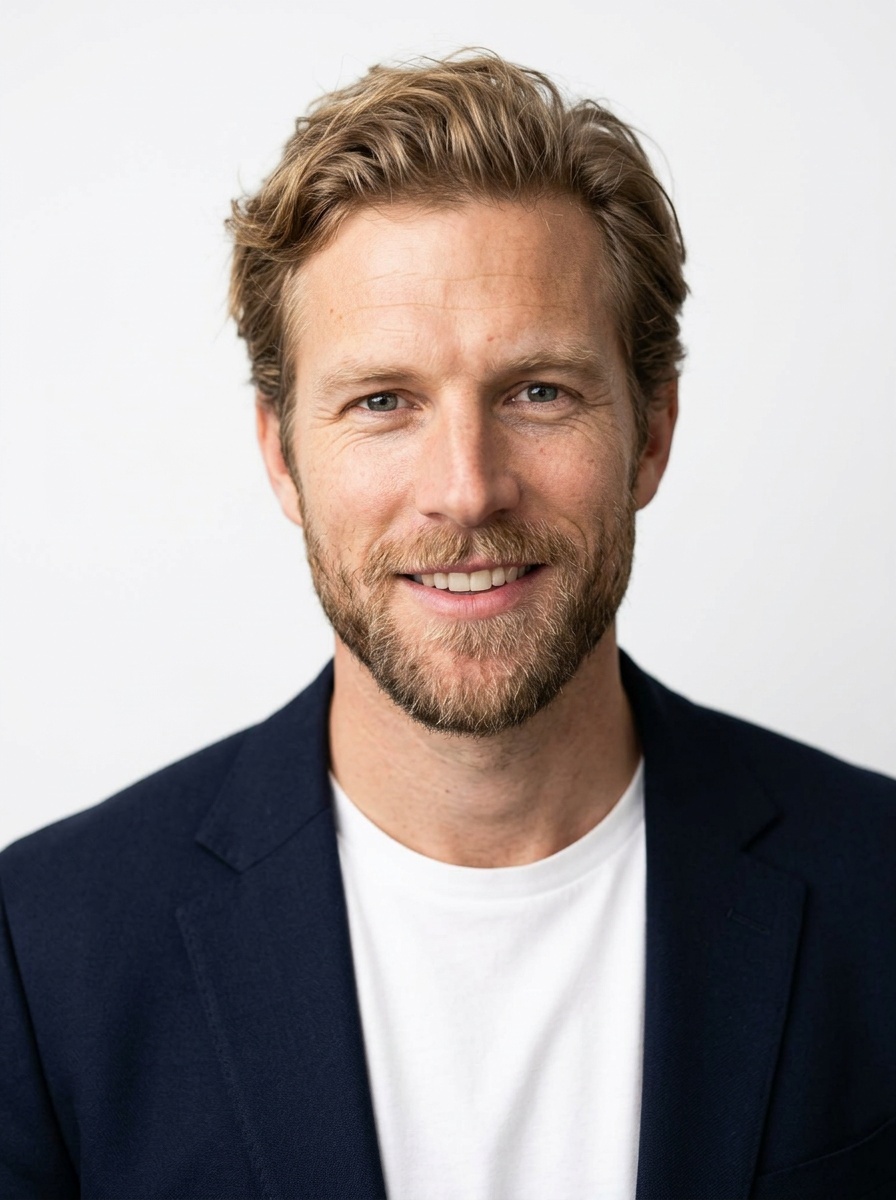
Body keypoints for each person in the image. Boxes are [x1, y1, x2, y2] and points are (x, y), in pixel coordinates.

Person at [0, 50, 893, 1200]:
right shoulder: (46, 951)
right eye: (383, 402)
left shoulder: (876, 892)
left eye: (538, 392)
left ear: (651, 433)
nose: (465, 490)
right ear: (281, 454)